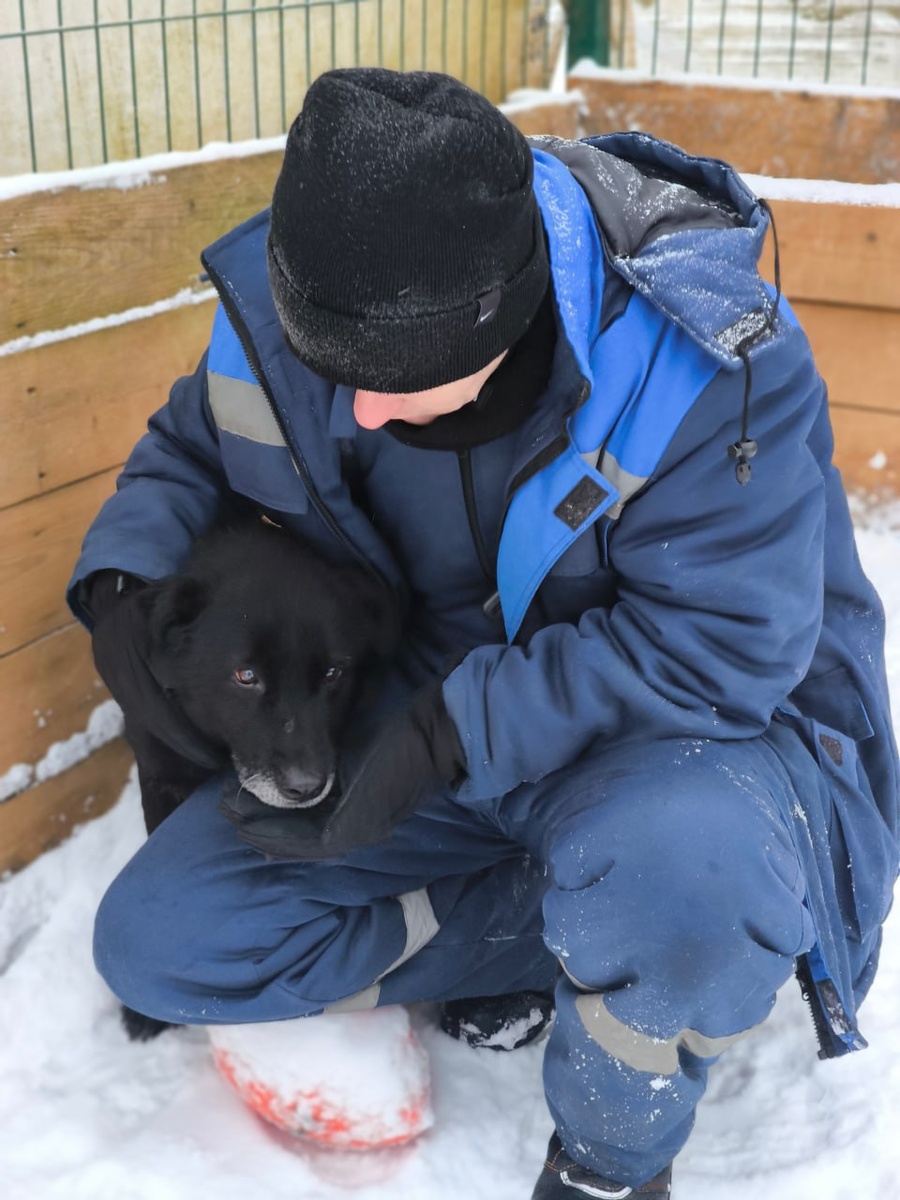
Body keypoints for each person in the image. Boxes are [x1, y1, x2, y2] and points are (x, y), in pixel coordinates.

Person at [68, 68, 899, 1197]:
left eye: (390, 381)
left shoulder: (702, 358)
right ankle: (547, 924)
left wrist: (451, 735)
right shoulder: (309, 304)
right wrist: (123, 582)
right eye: (332, 370)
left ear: (499, 316)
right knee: (161, 942)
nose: (357, 409)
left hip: (665, 743)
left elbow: (724, 648)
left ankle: (610, 1157)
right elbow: (190, 445)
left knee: (690, 881)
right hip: (415, 715)